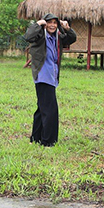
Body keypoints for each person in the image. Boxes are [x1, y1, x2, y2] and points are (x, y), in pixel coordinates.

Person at [25, 13, 76, 146]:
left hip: (52, 75)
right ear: (45, 23)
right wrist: (38, 24)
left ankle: (36, 138)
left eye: (55, 22)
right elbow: (28, 36)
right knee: (50, 109)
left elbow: (72, 38)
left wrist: (67, 28)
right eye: (49, 22)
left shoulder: (58, 37)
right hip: (43, 75)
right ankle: (48, 141)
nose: (52, 25)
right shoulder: (40, 35)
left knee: (41, 108)